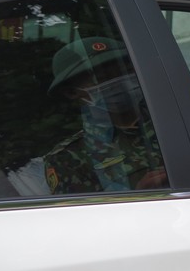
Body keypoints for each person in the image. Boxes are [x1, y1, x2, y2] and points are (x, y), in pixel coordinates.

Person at [45, 37, 168, 194]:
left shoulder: (176, 121)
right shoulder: (68, 158)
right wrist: (138, 197)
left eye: (126, 71)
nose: (119, 82)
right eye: (103, 78)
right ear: (71, 92)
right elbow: (85, 217)